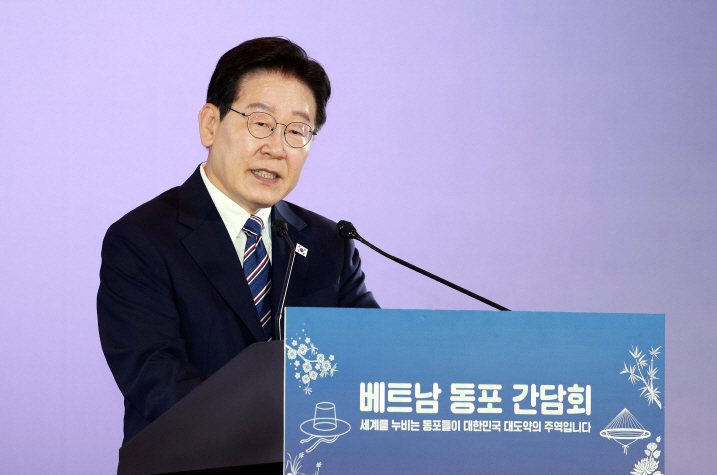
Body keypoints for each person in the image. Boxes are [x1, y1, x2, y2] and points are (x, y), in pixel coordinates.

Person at [97, 37, 379, 444]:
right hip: (190, 464)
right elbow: (156, 379)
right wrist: (279, 430)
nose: (276, 148)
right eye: (260, 123)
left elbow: (372, 361)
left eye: (297, 131)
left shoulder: (329, 244)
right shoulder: (142, 239)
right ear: (210, 125)